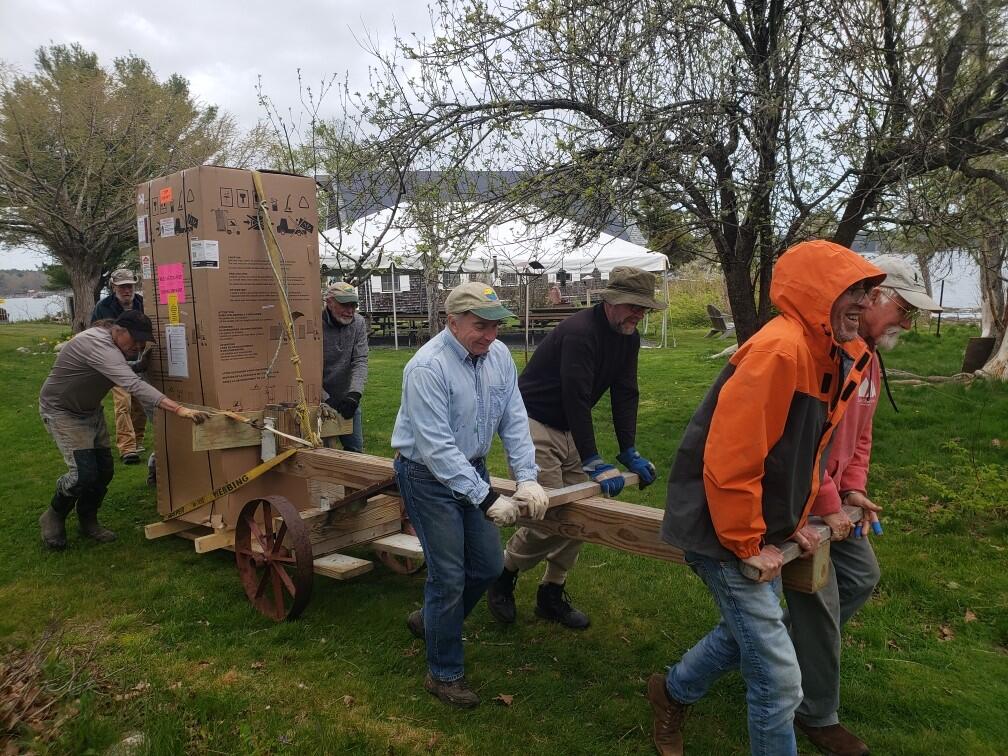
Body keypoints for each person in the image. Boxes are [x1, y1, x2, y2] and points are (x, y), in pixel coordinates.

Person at [647, 240, 886, 756]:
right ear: (818, 292)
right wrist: (748, 540)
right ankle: (672, 694)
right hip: (720, 529)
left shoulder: (830, 356)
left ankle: (670, 692)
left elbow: (804, 453)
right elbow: (734, 457)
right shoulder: (781, 351)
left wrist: (795, 520)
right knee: (779, 679)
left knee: (748, 637)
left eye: (869, 294)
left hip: (757, 527)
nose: (866, 305)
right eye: (854, 292)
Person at [785, 255, 942, 756]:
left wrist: (852, 488)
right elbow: (804, 441)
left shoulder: (869, 358)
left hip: (831, 497)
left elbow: (860, 437)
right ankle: (816, 714)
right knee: (822, 603)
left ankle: (774, 653)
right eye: (903, 308)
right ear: (874, 298)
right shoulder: (835, 351)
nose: (908, 321)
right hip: (799, 494)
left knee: (860, 577)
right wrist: (828, 500)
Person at [391, 282, 550, 709]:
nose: (490, 335)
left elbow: (515, 419)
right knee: (448, 577)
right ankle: (443, 674)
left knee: (487, 566)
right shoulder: (427, 368)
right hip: (426, 476)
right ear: (452, 321)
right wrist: (485, 498)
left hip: (471, 470)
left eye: (496, 326)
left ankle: (431, 623)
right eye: (480, 326)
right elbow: (437, 449)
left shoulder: (498, 357)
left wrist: (527, 478)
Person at [487, 266, 665, 629]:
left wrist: (627, 449)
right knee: (545, 516)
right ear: (611, 300)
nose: (638, 314)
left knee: (582, 513)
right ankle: (504, 574)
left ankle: (551, 592)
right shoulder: (580, 333)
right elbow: (576, 397)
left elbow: (626, 391)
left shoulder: (627, 337)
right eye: (633, 305)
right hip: (534, 423)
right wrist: (593, 459)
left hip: (569, 425)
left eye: (644, 309)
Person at [38, 310, 209, 550]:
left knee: (104, 471)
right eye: (136, 339)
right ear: (118, 330)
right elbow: (131, 384)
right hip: (62, 411)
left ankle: (88, 520)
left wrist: (139, 364)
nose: (139, 345)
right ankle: (53, 515)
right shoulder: (95, 343)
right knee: (82, 474)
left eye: (143, 341)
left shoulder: (113, 347)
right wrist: (179, 409)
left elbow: (122, 368)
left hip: (90, 411)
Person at [90, 268, 148, 465]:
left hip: (139, 358)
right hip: (115, 360)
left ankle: (137, 439)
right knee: (123, 403)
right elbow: (95, 333)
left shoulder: (142, 303)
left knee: (141, 402)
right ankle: (127, 448)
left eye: (130, 286)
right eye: (122, 286)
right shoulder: (103, 307)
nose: (127, 290)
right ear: (113, 287)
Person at [321, 282, 369, 453]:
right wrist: (325, 398)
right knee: (323, 452)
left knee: (355, 450)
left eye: (353, 305)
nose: (350, 310)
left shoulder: (359, 323)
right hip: (319, 400)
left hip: (347, 396)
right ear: (329, 301)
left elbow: (360, 360)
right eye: (344, 305)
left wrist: (354, 394)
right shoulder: (315, 325)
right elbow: (306, 368)